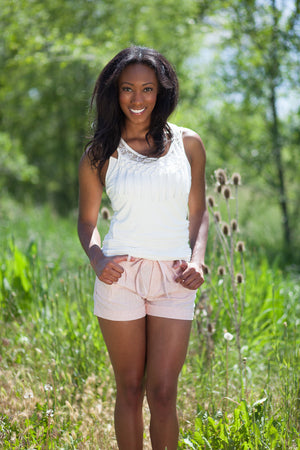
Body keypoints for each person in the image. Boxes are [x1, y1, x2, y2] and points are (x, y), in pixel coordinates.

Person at [77, 46, 209, 450]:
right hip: (122, 278)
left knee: (164, 393)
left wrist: (198, 260)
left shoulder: (189, 144)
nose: (137, 99)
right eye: (127, 89)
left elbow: (199, 211)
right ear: (114, 93)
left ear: (162, 90)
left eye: (147, 89)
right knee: (131, 389)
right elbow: (87, 222)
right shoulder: (101, 152)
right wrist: (97, 258)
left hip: (174, 278)